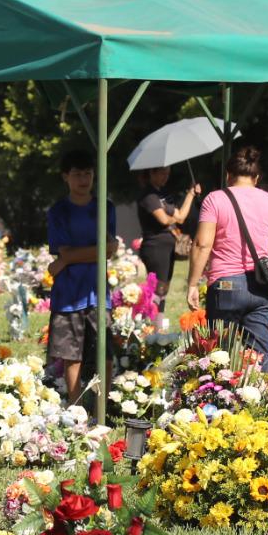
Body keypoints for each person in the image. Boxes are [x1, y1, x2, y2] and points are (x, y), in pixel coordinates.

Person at [185, 146, 268, 376]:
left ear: (228, 175)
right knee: (262, 356)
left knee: (218, 354)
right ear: (256, 178)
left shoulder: (215, 199)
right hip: (261, 287)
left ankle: (219, 406)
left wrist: (193, 284)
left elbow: (202, 244)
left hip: (225, 286)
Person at [47, 149, 119, 403]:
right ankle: (75, 406)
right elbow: (68, 249)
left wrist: (66, 260)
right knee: (71, 355)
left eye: (88, 173)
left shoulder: (105, 208)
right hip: (69, 293)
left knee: (106, 355)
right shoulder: (58, 212)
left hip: (99, 292)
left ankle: (103, 405)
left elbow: (109, 250)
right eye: (77, 174)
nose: (83, 179)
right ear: (65, 177)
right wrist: (79, 254)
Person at [135, 167, 199, 311]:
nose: (166, 176)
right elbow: (163, 220)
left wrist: (190, 194)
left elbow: (181, 217)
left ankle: (157, 322)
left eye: (168, 173)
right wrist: (173, 218)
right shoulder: (149, 196)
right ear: (152, 173)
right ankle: (150, 323)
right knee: (157, 289)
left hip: (167, 248)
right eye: (163, 173)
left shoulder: (162, 195)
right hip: (155, 248)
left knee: (163, 289)